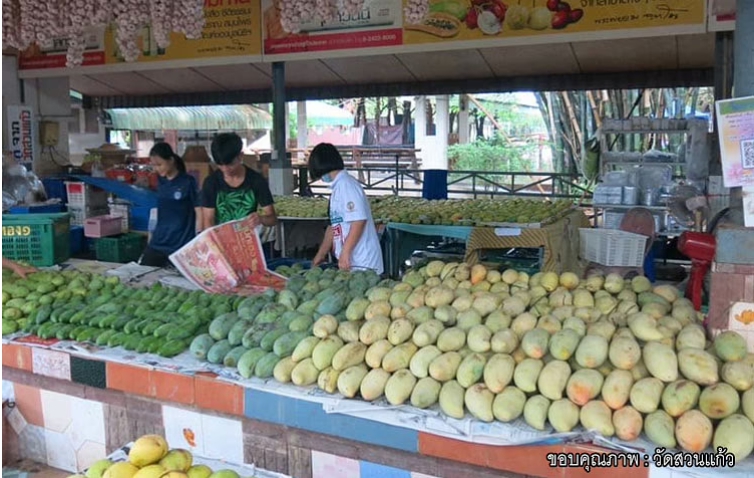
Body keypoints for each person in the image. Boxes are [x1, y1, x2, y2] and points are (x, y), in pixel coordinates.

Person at [310, 143, 383, 274]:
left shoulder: (347, 185)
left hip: (363, 261)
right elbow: (333, 226)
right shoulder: (337, 189)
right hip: (351, 262)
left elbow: (359, 221)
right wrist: (320, 255)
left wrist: (345, 252)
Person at [139, 143, 201, 267]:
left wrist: (198, 238)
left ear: (171, 160)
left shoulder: (187, 182)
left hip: (181, 243)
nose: (157, 169)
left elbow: (199, 211)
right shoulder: (160, 181)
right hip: (159, 241)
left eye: (159, 164)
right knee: (143, 272)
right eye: (154, 165)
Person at [202, 133, 278, 230]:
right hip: (221, 241)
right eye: (220, 165)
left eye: (230, 164)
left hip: (247, 239)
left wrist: (260, 219)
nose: (225, 169)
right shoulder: (211, 183)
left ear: (240, 156)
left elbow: (272, 219)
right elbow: (208, 221)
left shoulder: (256, 181)